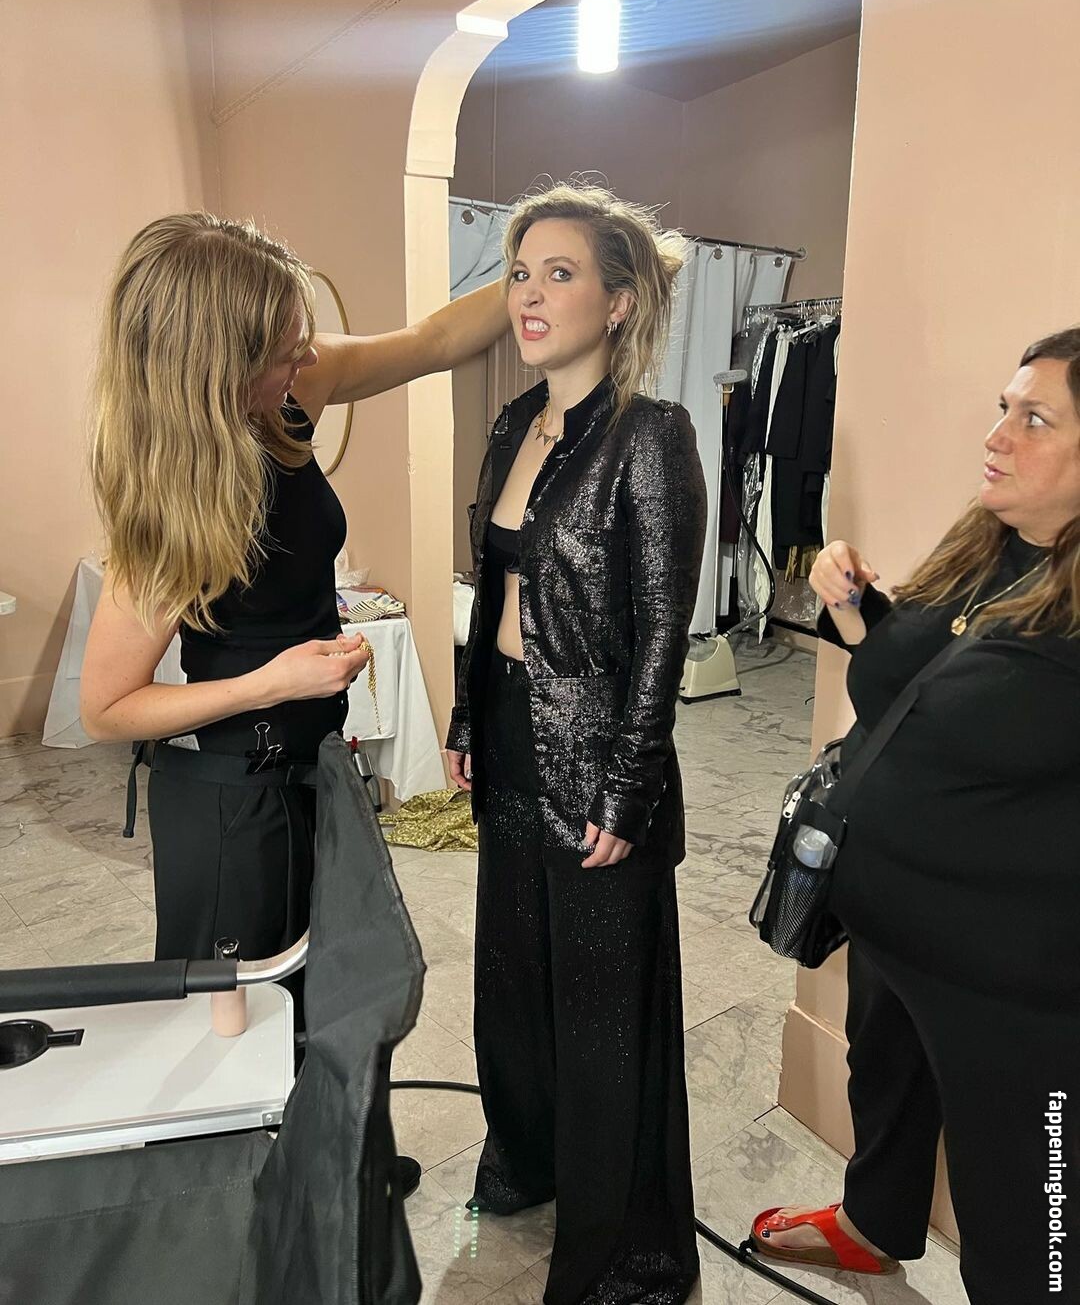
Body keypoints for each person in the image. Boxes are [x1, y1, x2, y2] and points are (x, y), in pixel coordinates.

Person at [80, 213, 508, 1190]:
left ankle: (332, 1177)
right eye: (283, 345)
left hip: (309, 765)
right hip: (232, 798)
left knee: (323, 987)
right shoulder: (174, 497)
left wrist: (533, 263)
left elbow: (434, 339)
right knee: (234, 1020)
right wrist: (273, 681)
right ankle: (239, 1210)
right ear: (218, 363)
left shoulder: (290, 400)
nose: (307, 357)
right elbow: (107, 708)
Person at [750, 328, 1080, 1304]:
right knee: (886, 1082)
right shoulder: (990, 543)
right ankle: (873, 1225)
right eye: (1003, 408)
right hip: (894, 925)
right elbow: (901, 678)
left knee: (1025, 1202)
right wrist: (854, 606)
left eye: (1035, 419)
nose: (997, 436)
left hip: (1009, 974)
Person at [446, 183, 707, 1305]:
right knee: (514, 980)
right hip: (510, 732)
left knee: (605, 1017)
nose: (531, 294)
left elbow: (663, 631)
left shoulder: (651, 435)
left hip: (599, 751)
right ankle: (531, 1160)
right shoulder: (516, 422)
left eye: (561, 273)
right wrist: (468, 717)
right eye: (520, 272)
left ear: (618, 301)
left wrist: (629, 787)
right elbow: (492, 588)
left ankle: (622, 1256)